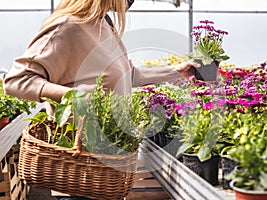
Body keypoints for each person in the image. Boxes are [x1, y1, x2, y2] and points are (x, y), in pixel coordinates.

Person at [3, 0, 200, 199]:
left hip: (108, 171)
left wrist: (175, 72)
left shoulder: (104, 24)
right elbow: (15, 80)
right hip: (81, 171)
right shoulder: (68, 26)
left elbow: (128, 76)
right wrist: (73, 95)